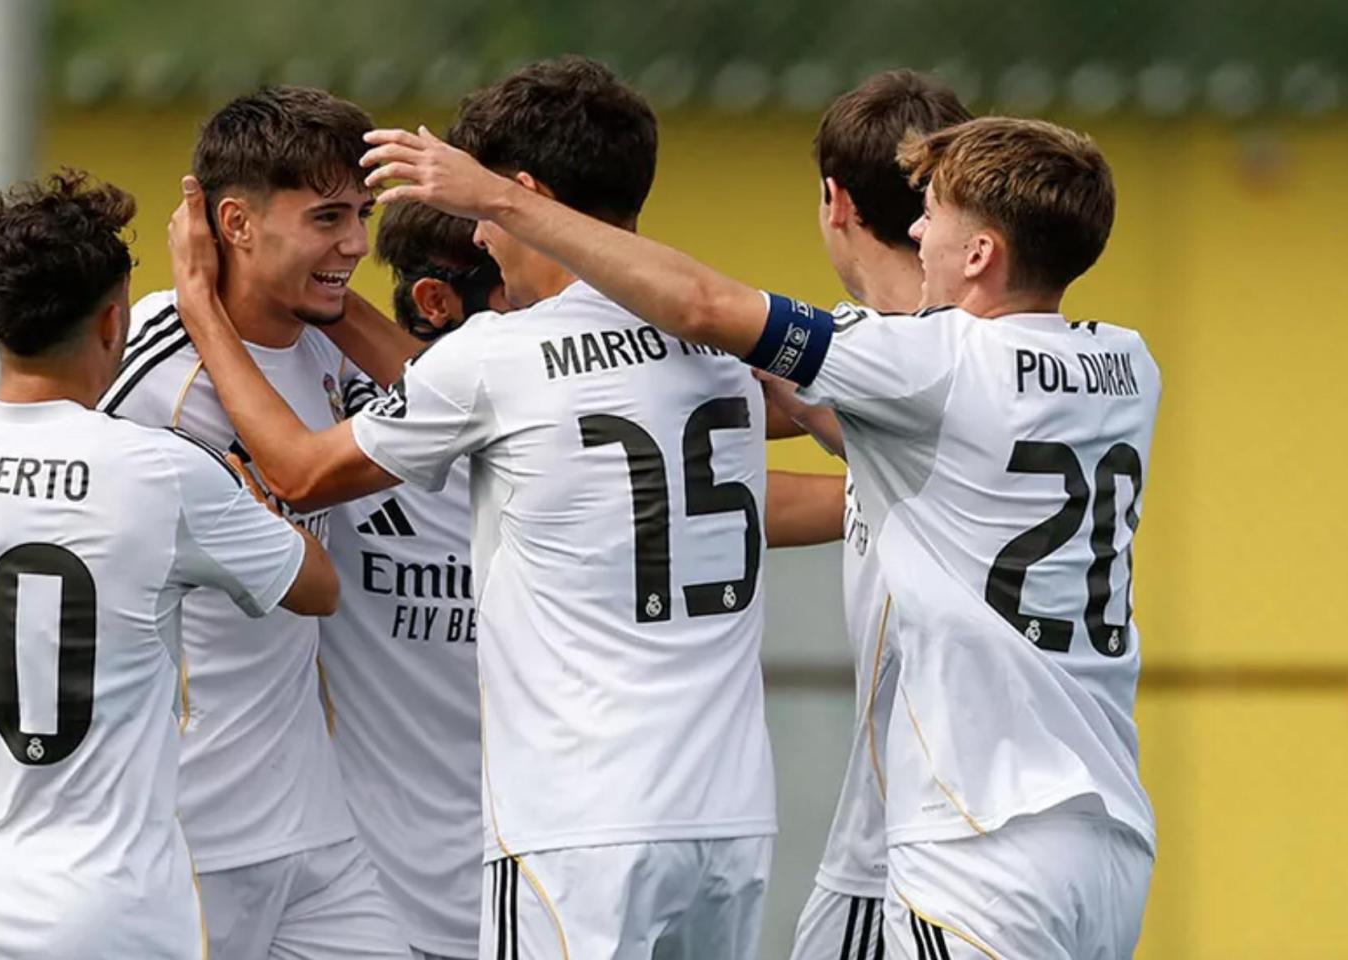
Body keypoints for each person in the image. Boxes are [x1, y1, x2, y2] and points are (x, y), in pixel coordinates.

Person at [367, 114, 1159, 959]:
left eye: (934, 213)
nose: (918, 229)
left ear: (980, 254)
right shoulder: (1127, 364)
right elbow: (837, 410)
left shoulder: (929, 361)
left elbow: (709, 307)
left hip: (982, 838)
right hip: (1107, 831)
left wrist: (493, 199)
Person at [167, 57, 777, 960]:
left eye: (488, 212)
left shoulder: (499, 356)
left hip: (578, 827)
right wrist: (327, 297)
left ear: (519, 196)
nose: (484, 240)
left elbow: (297, 472)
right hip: (733, 820)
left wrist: (202, 309)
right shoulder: (723, 341)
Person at [0, 169, 337, 959]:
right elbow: (315, 587)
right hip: (114, 918)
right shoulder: (161, 472)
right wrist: (255, 501)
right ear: (112, 321)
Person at [97, 88, 408, 959]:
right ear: (234, 222)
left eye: (363, 215)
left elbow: (466, 403)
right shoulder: (144, 363)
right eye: (328, 217)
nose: (356, 243)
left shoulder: (327, 341)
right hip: (190, 828)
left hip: (315, 827)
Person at [777, 70, 972, 960]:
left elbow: (707, 313)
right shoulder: (992, 354)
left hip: (929, 841)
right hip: (903, 828)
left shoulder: (903, 360)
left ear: (834, 201)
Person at [323, 200, 507, 960]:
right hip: (369, 909)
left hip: (539, 889)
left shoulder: (553, 423)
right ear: (436, 301)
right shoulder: (342, 426)